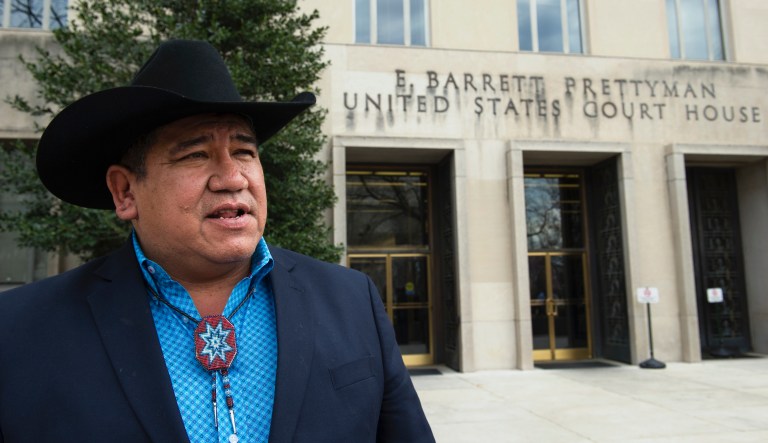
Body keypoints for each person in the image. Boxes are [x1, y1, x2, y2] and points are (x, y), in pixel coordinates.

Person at [0, 39, 434, 443]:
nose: (233, 177)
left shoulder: (351, 300)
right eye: (195, 154)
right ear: (125, 192)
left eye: (244, 151)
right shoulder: (20, 331)